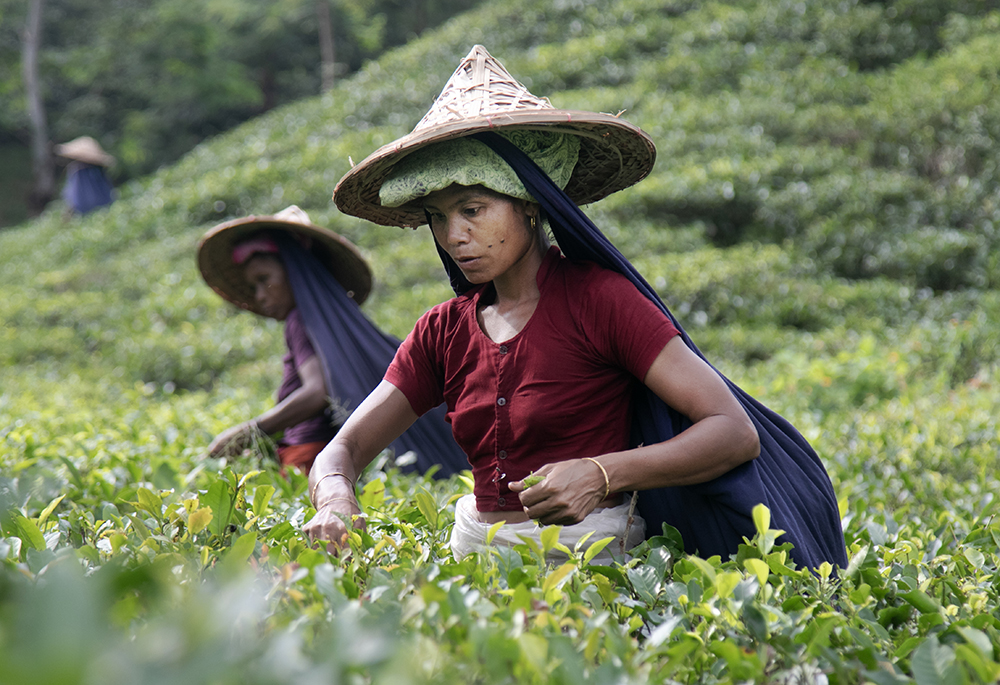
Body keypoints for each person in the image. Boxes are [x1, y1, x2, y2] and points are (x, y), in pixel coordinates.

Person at [306, 46, 848, 570]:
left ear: (529, 204)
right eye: (437, 218)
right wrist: (335, 498)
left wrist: (601, 473)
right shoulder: (443, 332)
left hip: (595, 564)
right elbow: (343, 449)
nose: (455, 236)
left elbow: (731, 431)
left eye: (472, 209)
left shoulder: (602, 302)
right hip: (473, 561)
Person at [197, 205, 469, 477]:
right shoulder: (319, 323)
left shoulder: (298, 321)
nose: (260, 295)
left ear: (294, 272)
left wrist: (249, 431)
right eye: (255, 286)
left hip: (307, 458)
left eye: (264, 279)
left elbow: (317, 392)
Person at [54, 136, 115, 215]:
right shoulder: (98, 170)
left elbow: (74, 198)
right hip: (104, 212)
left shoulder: (77, 170)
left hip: (84, 213)